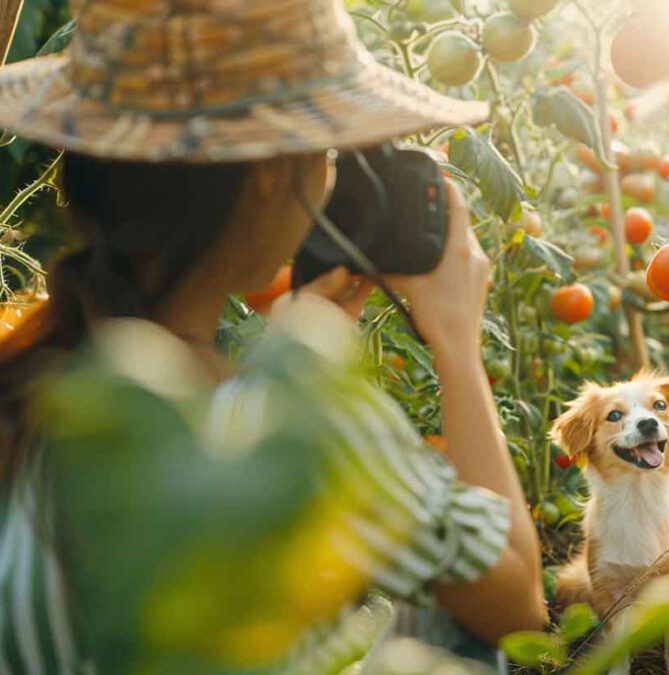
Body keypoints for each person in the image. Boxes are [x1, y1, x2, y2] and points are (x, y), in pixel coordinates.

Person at [0, 0, 546, 673]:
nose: (330, 178)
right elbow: (519, 606)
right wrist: (456, 344)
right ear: (269, 172)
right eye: (325, 153)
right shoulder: (313, 433)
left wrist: (285, 355)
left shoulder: (32, 383)